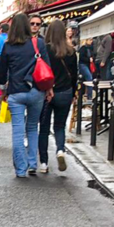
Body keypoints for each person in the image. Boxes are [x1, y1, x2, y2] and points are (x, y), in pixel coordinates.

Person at [0, 12, 50, 178]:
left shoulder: (8, 46)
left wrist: (2, 89)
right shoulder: (38, 43)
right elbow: (47, 67)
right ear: (28, 26)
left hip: (16, 92)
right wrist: (49, 89)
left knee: (18, 132)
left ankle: (21, 169)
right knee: (32, 127)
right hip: (36, 91)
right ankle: (33, 164)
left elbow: (2, 72)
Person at [36, 20, 78, 174]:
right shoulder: (71, 51)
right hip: (65, 92)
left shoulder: (45, 50)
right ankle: (60, 150)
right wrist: (73, 94)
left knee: (44, 128)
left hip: (48, 92)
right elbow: (74, 76)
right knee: (60, 126)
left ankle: (44, 163)